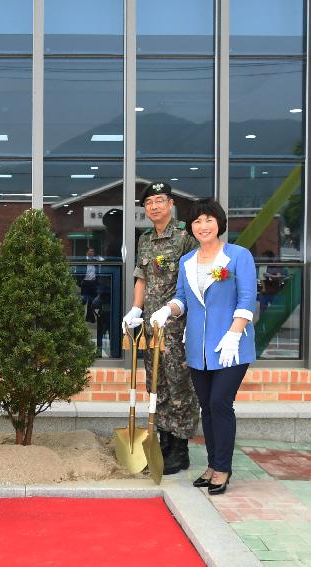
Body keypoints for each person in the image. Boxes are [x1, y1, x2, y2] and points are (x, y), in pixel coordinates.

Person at [148, 198, 257, 495]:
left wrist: (235, 333)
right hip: (197, 348)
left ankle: (223, 468)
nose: (203, 226)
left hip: (231, 346)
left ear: (219, 223)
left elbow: (247, 299)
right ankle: (212, 465)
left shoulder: (238, 256)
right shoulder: (187, 261)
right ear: (191, 228)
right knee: (206, 409)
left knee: (220, 404)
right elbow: (182, 299)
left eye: (209, 219)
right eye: (197, 221)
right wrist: (166, 309)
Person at [122, 181, 199, 475]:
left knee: (180, 385)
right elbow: (141, 277)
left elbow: (196, 278)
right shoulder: (144, 240)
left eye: (159, 200)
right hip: (151, 326)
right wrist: (136, 308)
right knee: (157, 384)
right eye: (149, 202)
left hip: (177, 325)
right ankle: (165, 442)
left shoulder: (185, 237)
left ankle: (181, 448)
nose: (154, 206)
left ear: (171, 204)